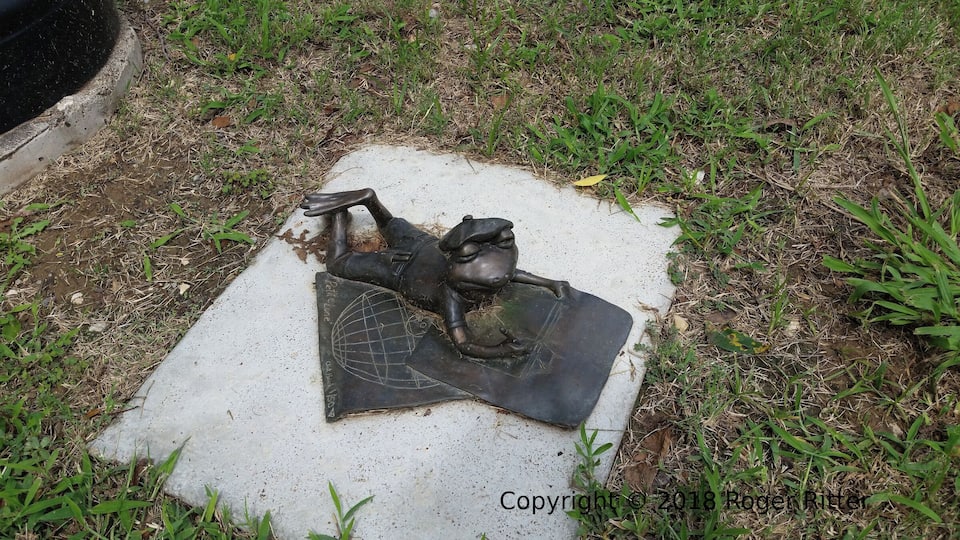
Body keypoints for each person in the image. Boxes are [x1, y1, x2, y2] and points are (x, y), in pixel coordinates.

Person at [301, 189, 570, 358]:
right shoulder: (450, 293)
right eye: (466, 255)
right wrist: (502, 350)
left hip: (422, 244)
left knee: (392, 225)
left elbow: (511, 274)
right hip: (400, 267)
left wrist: (550, 282)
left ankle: (369, 199)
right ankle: (339, 214)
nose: (499, 274)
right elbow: (463, 343)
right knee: (338, 263)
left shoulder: (493, 270)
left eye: (505, 240)